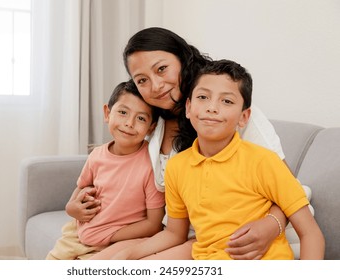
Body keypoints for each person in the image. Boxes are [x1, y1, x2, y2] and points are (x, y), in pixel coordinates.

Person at [69, 27, 288, 260]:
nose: (155, 85)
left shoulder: (227, 114)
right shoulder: (153, 121)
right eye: (142, 80)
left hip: (222, 237)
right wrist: (78, 205)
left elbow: (287, 188)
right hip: (170, 232)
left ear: (183, 58)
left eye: (162, 69)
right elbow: (114, 164)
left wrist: (271, 225)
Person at [110, 59, 325, 260]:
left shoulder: (263, 161)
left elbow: (311, 234)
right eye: (203, 97)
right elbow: (175, 233)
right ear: (188, 108)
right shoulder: (177, 167)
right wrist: (129, 256)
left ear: (244, 117)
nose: (212, 107)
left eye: (227, 101)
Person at [46, 80, 165, 260]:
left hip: (120, 240)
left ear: (151, 127)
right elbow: (82, 186)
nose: (129, 123)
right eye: (123, 112)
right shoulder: (97, 155)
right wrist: (72, 208)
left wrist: (108, 235)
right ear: (107, 113)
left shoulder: (151, 163)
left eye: (141, 118)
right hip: (80, 232)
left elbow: (153, 224)